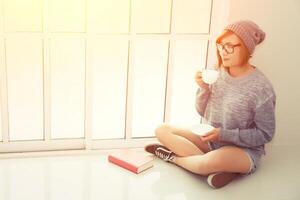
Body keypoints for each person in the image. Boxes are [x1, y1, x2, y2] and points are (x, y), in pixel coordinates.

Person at [144, 20, 276, 189]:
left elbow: (265, 134)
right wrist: (204, 89)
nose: (223, 52)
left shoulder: (262, 88)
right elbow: (201, 111)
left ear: (246, 48)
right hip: (210, 140)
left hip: (243, 150)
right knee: (162, 129)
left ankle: (174, 158)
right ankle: (221, 168)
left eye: (230, 46)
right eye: (220, 45)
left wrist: (223, 134)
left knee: (210, 162)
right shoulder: (216, 71)